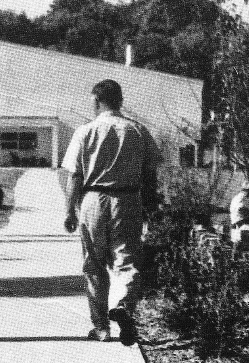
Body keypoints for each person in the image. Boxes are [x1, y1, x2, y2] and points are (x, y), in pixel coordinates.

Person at [62, 79, 162, 345]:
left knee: (93, 264)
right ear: (120, 101)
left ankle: (101, 327)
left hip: (93, 199)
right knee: (126, 259)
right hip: (127, 199)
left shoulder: (85, 131)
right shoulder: (137, 130)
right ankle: (123, 305)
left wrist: (69, 211)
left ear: (96, 101)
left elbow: (75, 175)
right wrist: (150, 205)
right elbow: (150, 174)